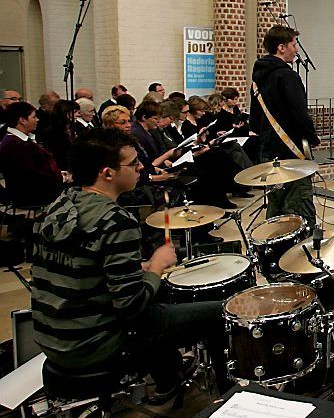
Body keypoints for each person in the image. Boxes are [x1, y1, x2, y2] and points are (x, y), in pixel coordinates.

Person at [30, 128, 231, 404]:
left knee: (159, 302)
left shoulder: (57, 205)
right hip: (93, 344)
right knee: (218, 312)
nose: (141, 168)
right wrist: (157, 266)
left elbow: (82, 266)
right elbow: (131, 306)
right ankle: (230, 399)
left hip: (53, 338)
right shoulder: (116, 220)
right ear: (107, 173)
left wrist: (138, 266)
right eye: (134, 163)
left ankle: (167, 381)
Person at [250, 25, 320, 220]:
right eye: (293, 44)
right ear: (282, 47)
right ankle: (299, 248)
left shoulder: (257, 79)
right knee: (299, 207)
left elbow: (254, 122)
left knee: (276, 204)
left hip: (268, 152)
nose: (296, 49)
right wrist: (312, 137)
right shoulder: (287, 76)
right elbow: (299, 113)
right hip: (291, 152)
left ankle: (273, 244)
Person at [0, 101, 65, 208]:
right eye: (34, 117)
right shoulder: (14, 144)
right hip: (32, 196)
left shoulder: (21, 141)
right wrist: (60, 177)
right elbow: (31, 175)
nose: (37, 120)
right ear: (22, 120)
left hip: (40, 189)